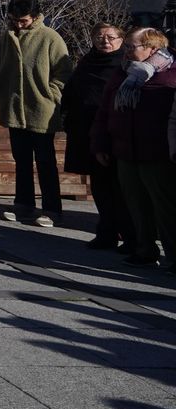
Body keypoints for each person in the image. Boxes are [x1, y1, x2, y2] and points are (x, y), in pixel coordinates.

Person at [92, 27, 176, 270]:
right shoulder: (122, 74)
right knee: (135, 205)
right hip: (125, 151)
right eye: (126, 46)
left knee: (165, 208)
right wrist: (100, 143)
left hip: (157, 153)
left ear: (153, 49)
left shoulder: (169, 75)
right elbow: (105, 111)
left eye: (133, 47)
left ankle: (173, 257)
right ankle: (144, 249)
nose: (127, 52)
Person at [0, 0, 73, 227]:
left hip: (42, 109)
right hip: (15, 108)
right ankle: (24, 204)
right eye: (14, 20)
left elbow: (64, 71)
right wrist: (1, 87)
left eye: (24, 21)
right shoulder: (7, 38)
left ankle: (52, 208)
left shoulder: (50, 37)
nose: (19, 25)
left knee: (46, 161)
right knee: (22, 159)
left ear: (36, 17)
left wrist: (52, 94)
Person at [63, 23, 131, 249]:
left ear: (121, 40)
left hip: (116, 133)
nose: (105, 41)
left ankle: (130, 235)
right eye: (100, 37)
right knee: (100, 186)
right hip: (87, 131)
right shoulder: (86, 62)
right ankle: (106, 231)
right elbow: (73, 91)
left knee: (121, 187)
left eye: (111, 37)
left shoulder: (126, 65)